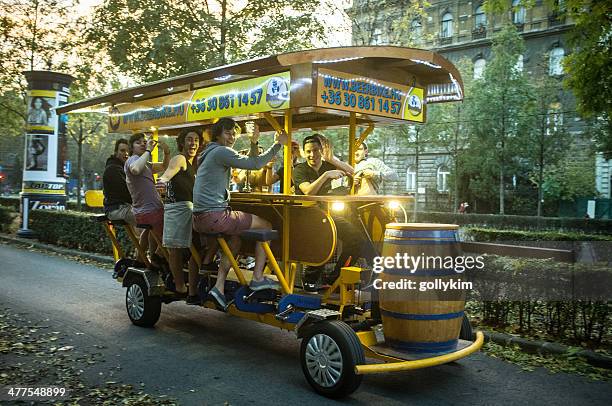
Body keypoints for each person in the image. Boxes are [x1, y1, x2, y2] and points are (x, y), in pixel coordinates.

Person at [192, 117, 288, 310]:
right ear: (217, 134)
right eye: (228, 133)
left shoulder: (207, 153)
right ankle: (258, 278)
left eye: (234, 133)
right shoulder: (220, 151)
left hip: (200, 218)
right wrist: (278, 144)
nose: (232, 137)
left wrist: (254, 143)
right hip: (215, 216)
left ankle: (218, 288)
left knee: (235, 240)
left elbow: (252, 163)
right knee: (267, 225)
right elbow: (255, 164)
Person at [293, 135, 376, 291]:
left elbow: (355, 173)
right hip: (305, 214)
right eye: (309, 151)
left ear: (322, 151)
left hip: (326, 213)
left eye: (316, 150)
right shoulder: (300, 169)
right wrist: (326, 175)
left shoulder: (327, 165)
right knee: (326, 235)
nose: (312, 155)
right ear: (304, 153)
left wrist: (332, 160)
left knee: (356, 238)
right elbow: (307, 192)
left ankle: (335, 278)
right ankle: (309, 279)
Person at [157, 129, 203, 302]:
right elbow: (168, 173)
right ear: (182, 143)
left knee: (196, 249)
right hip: (179, 209)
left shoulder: (195, 164)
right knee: (175, 249)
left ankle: (191, 291)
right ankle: (179, 286)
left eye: (196, 140)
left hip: (192, 210)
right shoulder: (180, 159)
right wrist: (162, 181)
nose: (193, 143)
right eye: (189, 140)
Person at [125, 133, 170, 264]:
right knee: (172, 233)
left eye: (144, 141)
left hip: (147, 211)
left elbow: (163, 166)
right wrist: (149, 150)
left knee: (148, 231)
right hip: (150, 211)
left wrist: (167, 153)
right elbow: (135, 169)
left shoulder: (146, 164)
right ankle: (157, 257)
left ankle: (140, 260)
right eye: (138, 142)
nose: (143, 144)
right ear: (131, 147)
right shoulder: (132, 160)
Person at [103, 139, 135, 224]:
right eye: (122, 151)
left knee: (149, 217)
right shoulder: (114, 169)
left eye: (128, 151)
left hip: (121, 207)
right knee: (147, 218)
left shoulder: (123, 167)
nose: (126, 154)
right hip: (116, 209)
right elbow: (126, 191)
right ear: (116, 152)